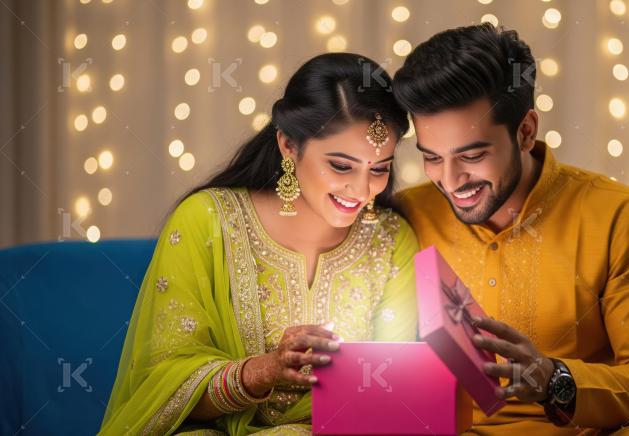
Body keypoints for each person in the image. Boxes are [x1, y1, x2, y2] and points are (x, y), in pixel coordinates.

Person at [393, 23, 629, 435]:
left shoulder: (622, 217)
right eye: (432, 157)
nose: (451, 180)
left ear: (526, 131)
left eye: (473, 154)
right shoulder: (406, 215)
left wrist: (554, 379)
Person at [99, 53, 418, 435]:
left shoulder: (391, 240)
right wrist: (263, 370)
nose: (362, 189)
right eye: (341, 165)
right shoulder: (207, 221)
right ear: (289, 145)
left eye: (379, 168)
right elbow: (160, 386)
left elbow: (395, 391)